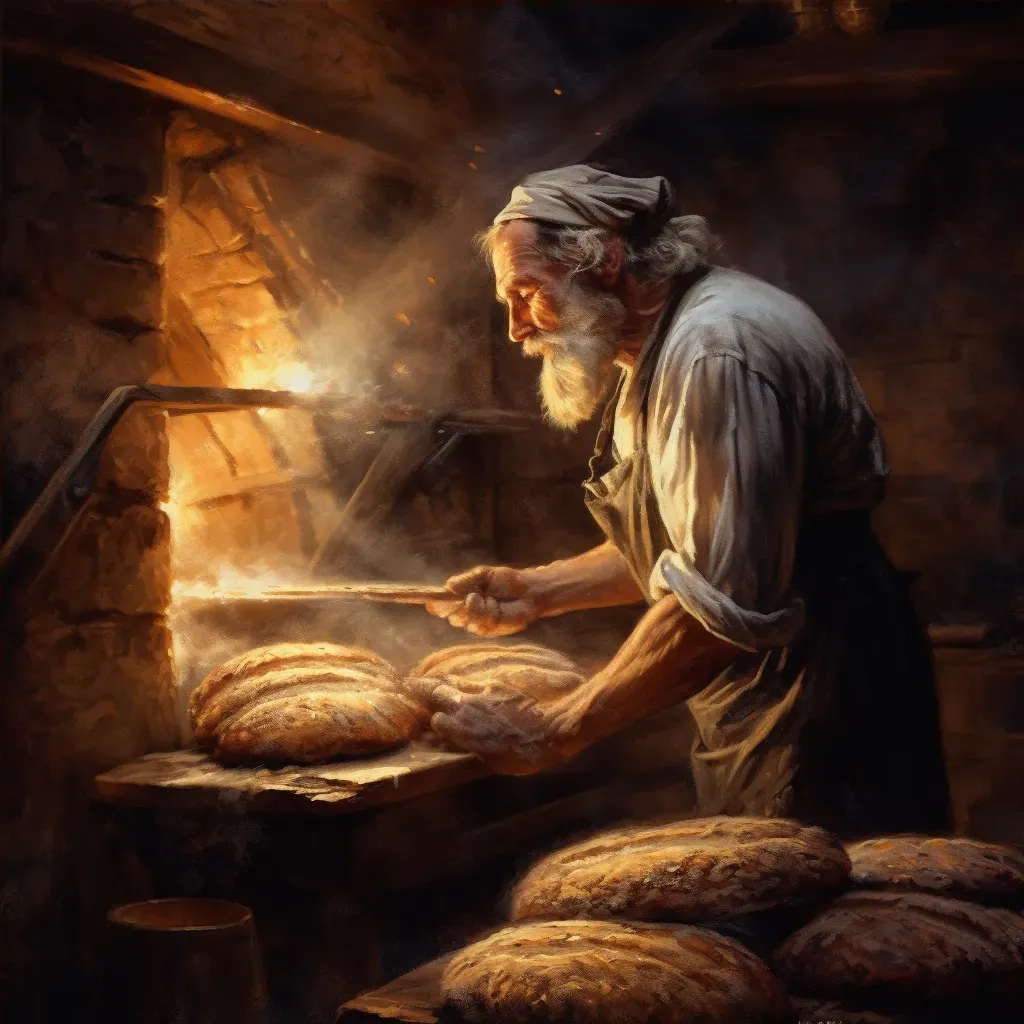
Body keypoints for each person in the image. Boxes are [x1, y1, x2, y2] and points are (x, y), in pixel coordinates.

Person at [413, 164, 951, 838]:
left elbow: (715, 604)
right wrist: (540, 589)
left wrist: (559, 728)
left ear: (604, 260)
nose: (519, 329)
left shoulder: (714, 352)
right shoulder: (658, 346)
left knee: (837, 914)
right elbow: (686, 544)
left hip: (825, 694)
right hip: (774, 685)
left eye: (527, 294)